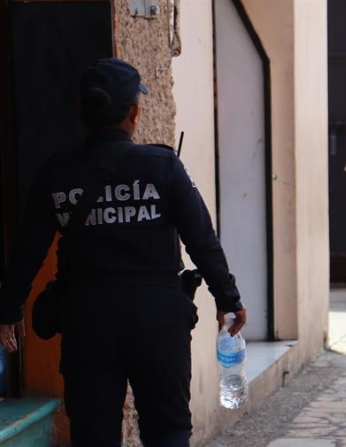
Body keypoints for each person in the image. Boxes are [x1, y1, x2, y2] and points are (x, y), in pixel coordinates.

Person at [0, 58, 246, 446]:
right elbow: (202, 240)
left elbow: (29, 248)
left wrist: (9, 309)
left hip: (87, 321)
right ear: (135, 112)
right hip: (158, 320)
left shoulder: (56, 174)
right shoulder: (163, 165)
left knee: (93, 435)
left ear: (83, 110)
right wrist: (228, 300)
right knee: (168, 431)